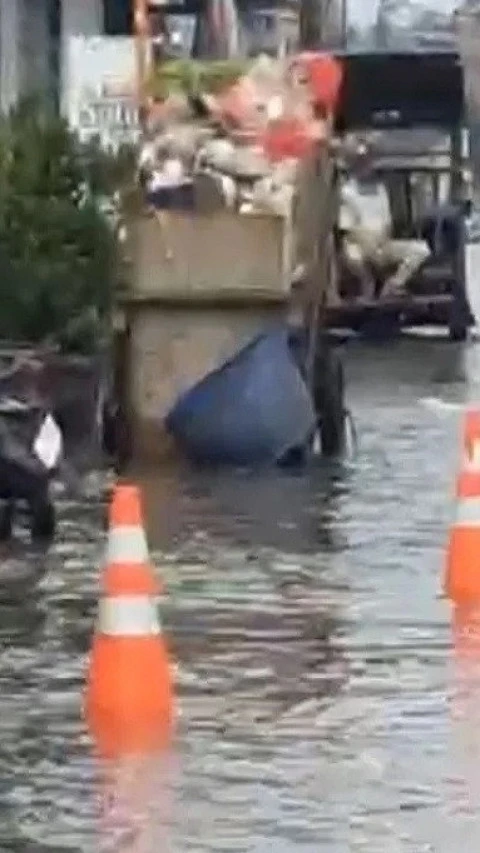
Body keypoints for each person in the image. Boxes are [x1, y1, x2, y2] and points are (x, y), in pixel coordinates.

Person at [338, 146, 430, 300]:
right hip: (360, 245)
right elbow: (347, 228)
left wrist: (382, 242)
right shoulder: (347, 192)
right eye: (361, 161)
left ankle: (394, 285)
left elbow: (387, 221)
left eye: (367, 161)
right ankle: (367, 286)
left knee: (421, 250)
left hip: (383, 243)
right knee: (351, 256)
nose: (365, 165)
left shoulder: (380, 189)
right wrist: (368, 242)